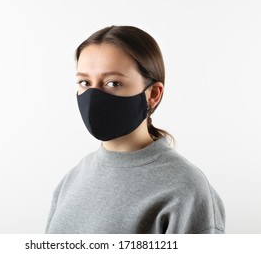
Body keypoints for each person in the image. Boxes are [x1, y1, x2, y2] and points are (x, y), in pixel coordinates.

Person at [45, 25, 225, 234]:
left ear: (153, 94)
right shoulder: (74, 178)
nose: (93, 97)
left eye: (113, 83)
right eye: (84, 82)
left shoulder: (184, 188)